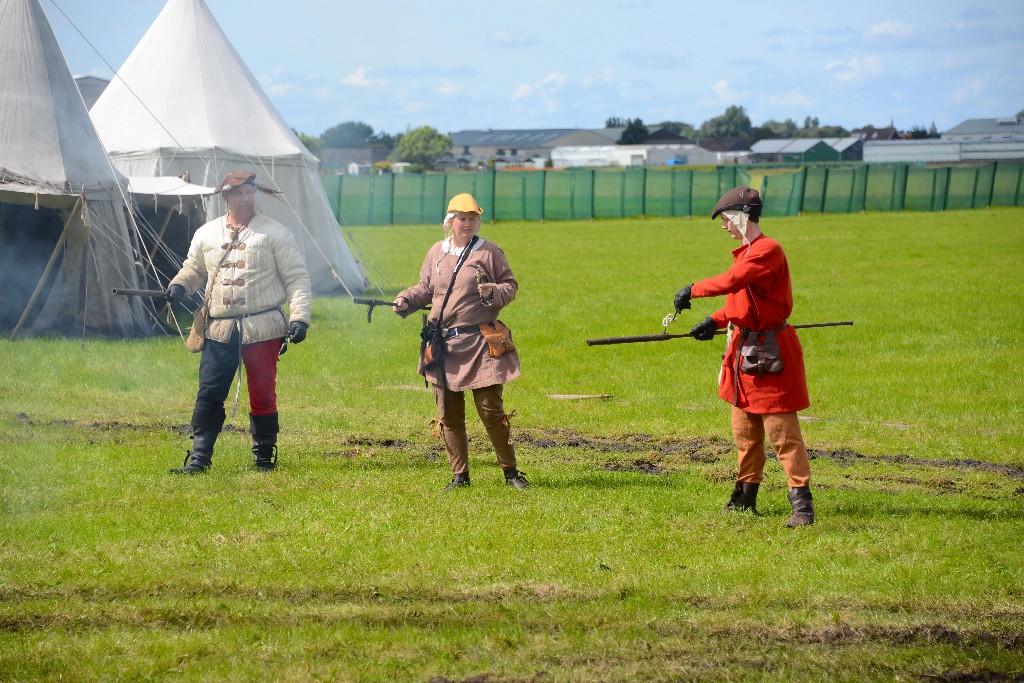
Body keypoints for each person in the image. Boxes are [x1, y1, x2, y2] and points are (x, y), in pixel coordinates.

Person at [673, 186, 815, 526]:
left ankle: (802, 506)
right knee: (745, 434)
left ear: (741, 217)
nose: (724, 227)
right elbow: (743, 300)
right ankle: (743, 499)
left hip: (771, 356)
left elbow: (734, 280)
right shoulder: (748, 253)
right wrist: (715, 320)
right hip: (744, 356)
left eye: (725, 220)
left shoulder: (767, 251)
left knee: (783, 436)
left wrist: (692, 289)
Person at [165, 171, 312, 474]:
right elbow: (192, 268)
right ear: (226, 197)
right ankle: (199, 458)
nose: (245, 198)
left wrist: (299, 317)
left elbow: (297, 277)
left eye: (249, 192)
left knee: (262, 392)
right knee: (209, 392)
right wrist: (180, 284)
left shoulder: (275, 233)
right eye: (239, 194)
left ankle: (264, 458)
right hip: (219, 328)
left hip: (262, 327)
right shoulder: (207, 233)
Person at [393, 193, 528, 491]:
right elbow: (426, 289)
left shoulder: (489, 252)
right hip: (442, 344)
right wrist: (406, 299)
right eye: (461, 219)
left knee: (491, 409)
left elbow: (510, 286)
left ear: (478, 221)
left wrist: (492, 291)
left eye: (472, 219)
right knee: (449, 414)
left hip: (480, 342)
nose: (467, 224)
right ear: (450, 222)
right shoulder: (436, 253)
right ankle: (460, 476)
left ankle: (511, 473)